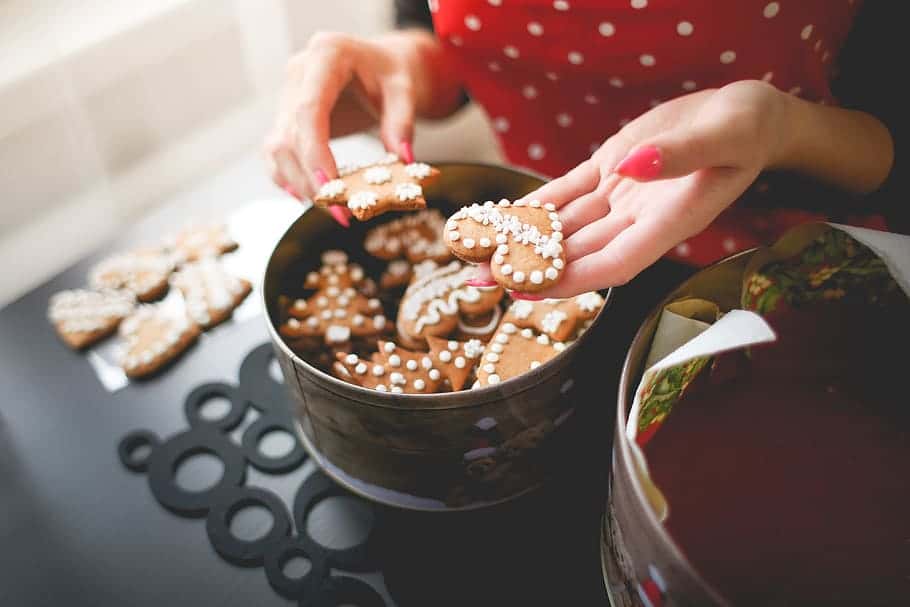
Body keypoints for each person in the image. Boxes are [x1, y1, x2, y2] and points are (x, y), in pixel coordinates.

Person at [265, 0, 904, 299]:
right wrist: (399, 65)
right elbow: (458, 48)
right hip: (570, 244)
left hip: (810, 277)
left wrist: (782, 129)